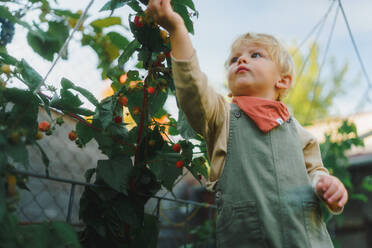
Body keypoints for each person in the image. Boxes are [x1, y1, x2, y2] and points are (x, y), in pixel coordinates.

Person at [146, 0, 348, 247]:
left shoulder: (301, 135)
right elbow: (192, 87)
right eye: (234, 59)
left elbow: (315, 173)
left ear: (282, 81)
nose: (241, 61)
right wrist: (177, 28)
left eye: (255, 55)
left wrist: (326, 185)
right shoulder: (221, 116)